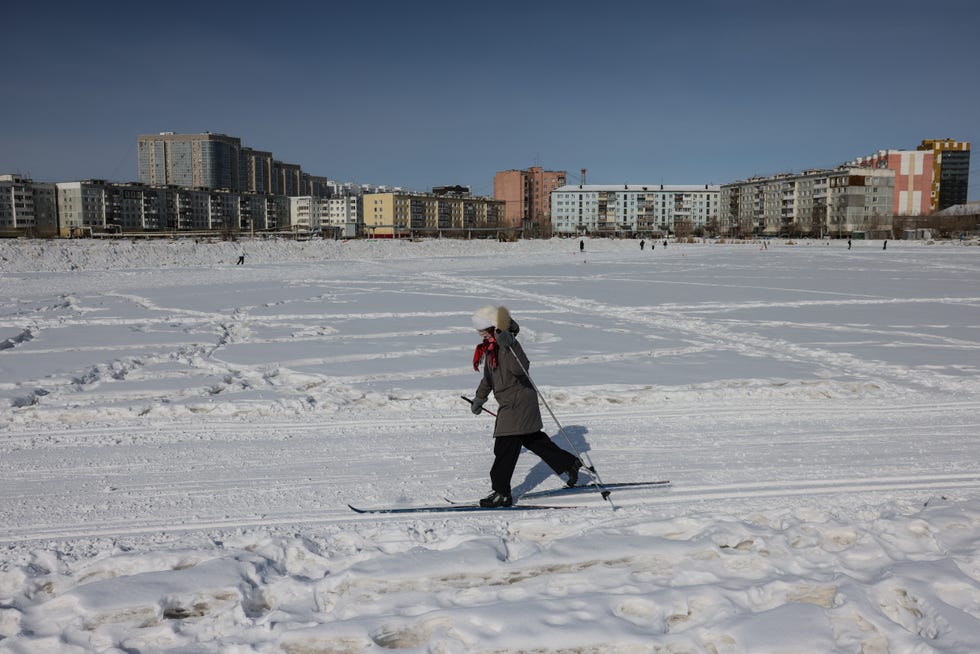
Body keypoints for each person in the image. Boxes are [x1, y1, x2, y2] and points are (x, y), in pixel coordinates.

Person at [469, 305, 582, 507]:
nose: (482, 336)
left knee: (504, 448)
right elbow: (488, 378)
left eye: (484, 332)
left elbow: (521, 369)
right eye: (480, 332)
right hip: (511, 402)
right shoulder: (491, 350)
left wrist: (508, 345)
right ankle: (569, 463)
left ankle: (502, 492)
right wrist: (479, 398)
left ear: (495, 328)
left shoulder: (510, 346)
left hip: (518, 403)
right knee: (534, 440)